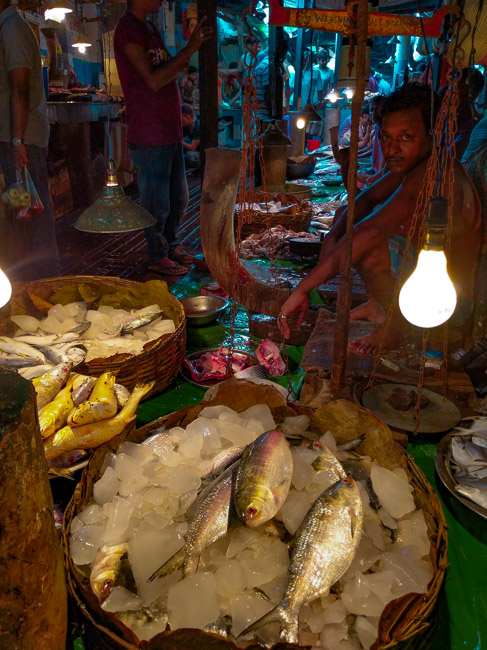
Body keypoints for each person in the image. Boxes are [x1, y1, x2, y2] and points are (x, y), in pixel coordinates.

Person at [278, 84, 480, 354]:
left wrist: (303, 288)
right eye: (386, 137)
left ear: (432, 137)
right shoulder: (417, 163)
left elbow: (371, 231)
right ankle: (378, 304)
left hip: (451, 301)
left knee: (368, 246)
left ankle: (397, 328)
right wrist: (333, 237)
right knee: (344, 217)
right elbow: (367, 199)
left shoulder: (434, 174)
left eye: (406, 137)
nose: (392, 148)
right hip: (421, 275)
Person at [114, 0, 211, 275]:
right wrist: (189, 49)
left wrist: (180, 61)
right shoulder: (129, 30)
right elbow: (154, 80)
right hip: (150, 132)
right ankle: (157, 255)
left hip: (169, 131)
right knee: (156, 201)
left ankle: (169, 246)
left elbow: (168, 69)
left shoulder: (149, 27)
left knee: (178, 198)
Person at [0, 0, 58, 280]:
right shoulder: (8, 27)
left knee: (34, 209)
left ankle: (45, 279)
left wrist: (16, 141)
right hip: (18, 136)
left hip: (24, 138)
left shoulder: (13, 29)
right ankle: (32, 278)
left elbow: (20, 87)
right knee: (22, 206)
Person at [448, 67, 484, 160]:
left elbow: (451, 157)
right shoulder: (449, 117)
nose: (451, 92)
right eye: (451, 87)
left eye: (457, 87)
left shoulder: (473, 125)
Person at [181, 103, 200, 169]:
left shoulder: (198, 126)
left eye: (182, 120)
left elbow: (192, 148)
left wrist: (180, 141)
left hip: (201, 153)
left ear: (188, 117)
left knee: (189, 156)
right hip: (194, 150)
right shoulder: (186, 126)